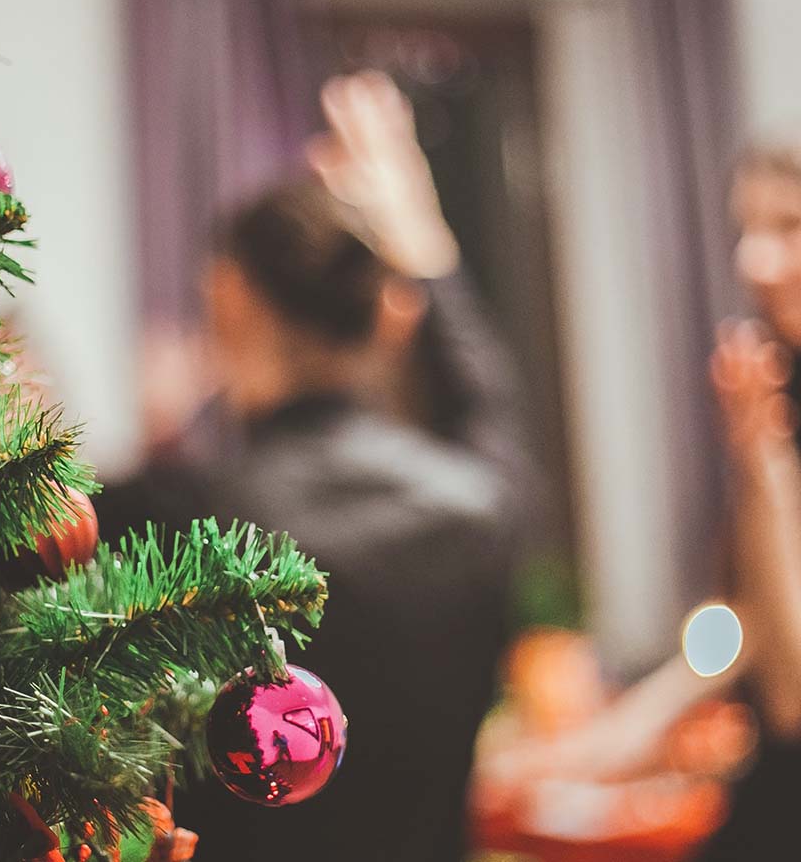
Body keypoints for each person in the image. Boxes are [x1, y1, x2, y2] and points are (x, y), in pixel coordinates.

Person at [97, 72, 535, 861]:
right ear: (390, 317)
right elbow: (487, 400)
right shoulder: (482, 502)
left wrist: (166, 433)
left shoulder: (176, 513)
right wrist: (428, 249)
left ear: (228, 298)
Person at [475, 142, 801, 859]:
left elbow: (792, 693)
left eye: (790, 227)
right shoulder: (785, 388)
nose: (754, 261)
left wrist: (763, 460)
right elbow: (749, 623)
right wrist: (612, 737)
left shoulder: (771, 430)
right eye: (745, 231)